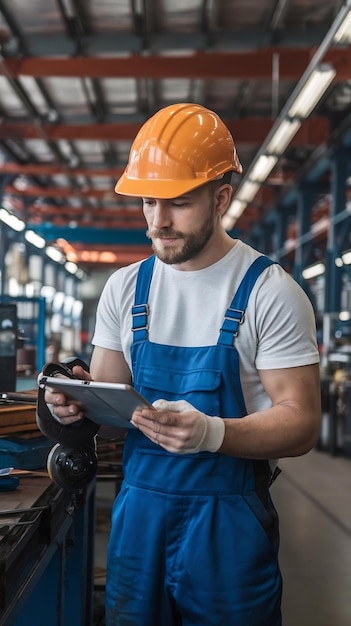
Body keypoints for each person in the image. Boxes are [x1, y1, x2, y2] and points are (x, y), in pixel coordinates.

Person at [41, 103, 321, 626]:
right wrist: (77, 399)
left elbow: (301, 422)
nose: (158, 221)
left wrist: (211, 433)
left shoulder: (270, 292)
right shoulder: (125, 288)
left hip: (228, 528)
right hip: (139, 517)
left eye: (180, 203)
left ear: (221, 199)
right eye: (148, 201)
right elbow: (108, 400)